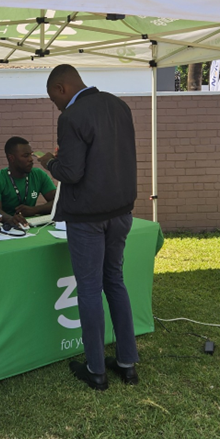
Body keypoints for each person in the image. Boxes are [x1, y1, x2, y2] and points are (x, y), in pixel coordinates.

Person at [37, 64, 139, 391]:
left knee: (90, 289)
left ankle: (96, 370)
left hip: (88, 219)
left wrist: (48, 161)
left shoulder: (71, 117)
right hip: (122, 212)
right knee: (116, 282)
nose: (55, 105)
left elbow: (71, 172)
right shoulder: (119, 106)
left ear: (62, 88)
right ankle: (127, 363)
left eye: (54, 98)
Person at [0, 136, 56, 227]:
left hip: (31, 227)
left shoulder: (39, 175)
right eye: (25, 156)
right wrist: (11, 219)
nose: (31, 159)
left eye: (31, 155)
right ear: (11, 158)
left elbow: (58, 202)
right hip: (7, 229)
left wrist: (34, 210)